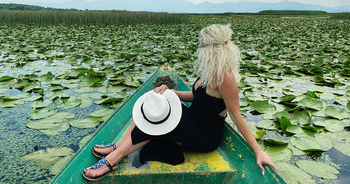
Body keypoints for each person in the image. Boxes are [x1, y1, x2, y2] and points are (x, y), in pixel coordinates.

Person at [82, 24, 277, 181]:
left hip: (204, 135)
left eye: (201, 45)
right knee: (150, 108)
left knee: (155, 122)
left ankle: (112, 159)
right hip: (192, 121)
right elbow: (196, 97)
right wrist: (170, 92)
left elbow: (236, 115)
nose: (198, 49)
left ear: (211, 50)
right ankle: (118, 146)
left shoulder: (225, 77)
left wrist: (258, 150)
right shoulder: (210, 70)